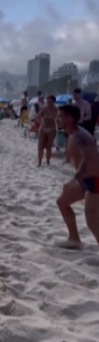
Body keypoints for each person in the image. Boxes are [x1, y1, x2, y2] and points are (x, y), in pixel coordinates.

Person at [54, 104, 99, 249]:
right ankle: (74, 239)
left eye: (59, 116)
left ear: (69, 118)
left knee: (91, 217)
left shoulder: (78, 136)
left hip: (95, 180)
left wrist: (74, 180)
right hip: (86, 180)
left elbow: (87, 158)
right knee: (62, 202)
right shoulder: (73, 134)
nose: (56, 119)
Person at [38, 95, 58, 167]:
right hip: (43, 128)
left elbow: (59, 119)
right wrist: (42, 121)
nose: (48, 102)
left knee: (49, 146)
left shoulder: (56, 110)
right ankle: (39, 162)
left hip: (52, 129)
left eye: (50, 101)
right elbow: (38, 117)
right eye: (48, 101)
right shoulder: (44, 109)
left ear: (53, 101)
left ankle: (48, 162)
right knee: (40, 145)